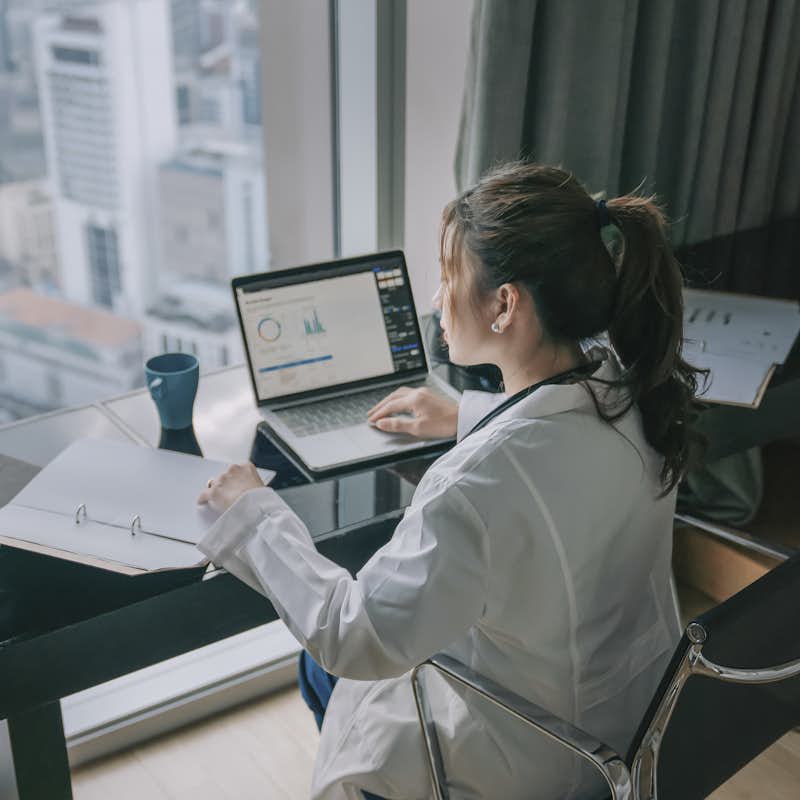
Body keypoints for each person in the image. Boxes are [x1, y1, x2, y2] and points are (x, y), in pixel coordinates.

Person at [197, 162, 702, 800]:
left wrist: (255, 515)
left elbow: (354, 638)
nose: (437, 297)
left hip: (533, 761)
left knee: (322, 669)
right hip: (632, 726)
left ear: (505, 303)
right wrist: (465, 412)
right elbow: (554, 445)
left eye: (448, 275)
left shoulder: (473, 484)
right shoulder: (634, 395)